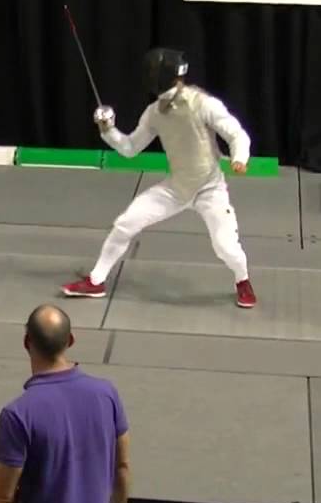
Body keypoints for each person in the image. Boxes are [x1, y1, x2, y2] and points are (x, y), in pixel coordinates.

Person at [62, 48, 258, 309]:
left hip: (210, 188)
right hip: (176, 189)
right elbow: (130, 148)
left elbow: (236, 134)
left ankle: (243, 280)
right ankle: (96, 281)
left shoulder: (202, 103)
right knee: (125, 223)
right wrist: (107, 129)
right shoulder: (154, 113)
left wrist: (239, 157)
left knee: (226, 247)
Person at [0, 305, 131, 503]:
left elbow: (2, 497)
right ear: (70, 340)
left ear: (27, 342)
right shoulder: (107, 394)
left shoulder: (18, 414)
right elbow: (121, 465)